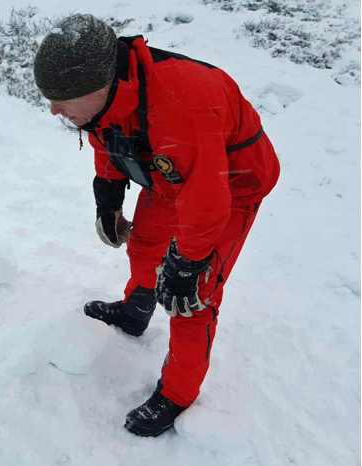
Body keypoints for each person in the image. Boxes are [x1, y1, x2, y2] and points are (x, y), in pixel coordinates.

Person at [33, 14, 280, 437]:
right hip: (171, 171)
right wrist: (108, 199)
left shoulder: (182, 105)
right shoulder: (112, 96)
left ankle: (178, 394)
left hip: (230, 185)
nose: (54, 109)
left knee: (193, 297)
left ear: (100, 88)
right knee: (145, 245)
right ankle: (136, 310)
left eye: (62, 100)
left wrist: (186, 267)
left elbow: (207, 204)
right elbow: (106, 135)